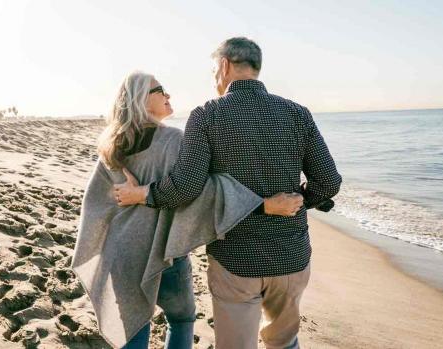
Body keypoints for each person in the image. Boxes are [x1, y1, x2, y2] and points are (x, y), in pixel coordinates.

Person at [115, 37, 342, 349]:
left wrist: (145, 194)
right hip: (292, 255)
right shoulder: (297, 113)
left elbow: (186, 187)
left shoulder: (207, 114)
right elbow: (329, 182)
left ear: (223, 66)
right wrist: (302, 200)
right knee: (285, 342)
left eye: (213, 70)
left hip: (236, 258)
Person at [72, 71, 304, 349]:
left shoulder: (111, 144)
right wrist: (263, 204)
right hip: (165, 252)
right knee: (181, 319)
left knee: (133, 326)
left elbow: (96, 201)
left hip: (122, 253)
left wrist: (114, 223)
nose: (168, 94)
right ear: (140, 100)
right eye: (160, 90)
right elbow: (202, 191)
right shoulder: (173, 140)